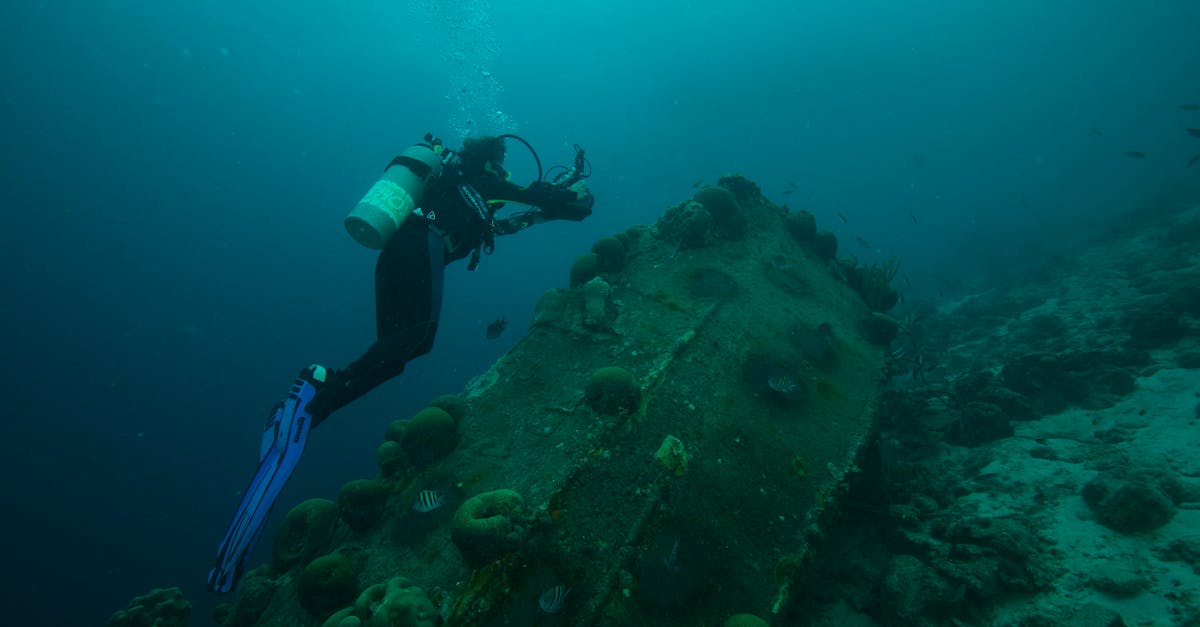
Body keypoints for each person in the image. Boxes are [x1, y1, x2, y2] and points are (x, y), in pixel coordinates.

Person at [208, 133, 594, 594]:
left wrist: (542, 209)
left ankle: (315, 403)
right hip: (421, 246)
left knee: (396, 350)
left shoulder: (454, 185)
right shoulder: (480, 179)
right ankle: (321, 390)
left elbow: (508, 220)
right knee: (417, 337)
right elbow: (540, 197)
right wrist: (575, 195)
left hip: (396, 251)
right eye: (503, 160)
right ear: (491, 160)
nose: (505, 168)